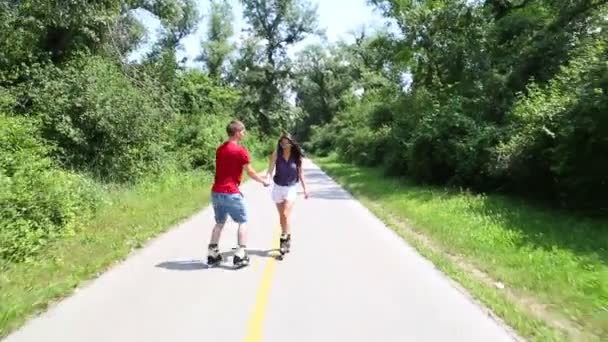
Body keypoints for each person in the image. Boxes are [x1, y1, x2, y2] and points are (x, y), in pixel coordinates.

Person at [207, 120, 269, 267]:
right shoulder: (240, 151)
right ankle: (240, 255)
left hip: (216, 192)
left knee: (219, 223)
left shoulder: (220, 149)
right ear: (236, 133)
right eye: (243, 131)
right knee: (242, 222)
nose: (244, 133)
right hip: (231, 192)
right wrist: (263, 181)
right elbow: (251, 172)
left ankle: (212, 254)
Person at [266, 134, 309, 255]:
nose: (283, 145)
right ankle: (287, 235)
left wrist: (306, 188)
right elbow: (270, 170)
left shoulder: (297, 157)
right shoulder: (276, 154)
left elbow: (301, 174)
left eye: (286, 143)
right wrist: (267, 179)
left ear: (291, 143)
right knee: (282, 217)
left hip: (290, 188)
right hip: (278, 188)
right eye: (281, 143)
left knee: (285, 214)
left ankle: (283, 241)